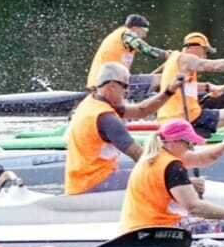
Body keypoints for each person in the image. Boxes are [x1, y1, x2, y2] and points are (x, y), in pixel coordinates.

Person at [54, 62, 188, 195]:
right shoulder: (106, 118)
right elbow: (140, 156)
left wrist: (169, 91)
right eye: (125, 86)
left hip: (81, 181)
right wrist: (178, 178)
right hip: (94, 184)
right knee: (160, 178)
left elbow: (141, 110)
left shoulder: (93, 101)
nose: (128, 91)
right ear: (111, 87)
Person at [118, 118, 224, 233]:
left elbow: (201, 158)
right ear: (175, 141)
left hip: (135, 227)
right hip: (160, 229)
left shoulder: (154, 156)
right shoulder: (172, 165)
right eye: (189, 143)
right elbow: (194, 207)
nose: (191, 148)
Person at [155, 32, 224, 139]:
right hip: (185, 119)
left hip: (167, 119)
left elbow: (182, 86)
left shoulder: (175, 61)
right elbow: (215, 66)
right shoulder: (186, 59)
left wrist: (208, 87)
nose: (205, 55)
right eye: (205, 51)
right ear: (196, 48)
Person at [86, 14, 169, 88]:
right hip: (105, 83)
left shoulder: (123, 40)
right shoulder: (126, 34)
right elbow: (147, 50)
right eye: (145, 31)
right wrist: (167, 54)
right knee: (161, 79)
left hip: (110, 81)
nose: (145, 35)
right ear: (135, 28)